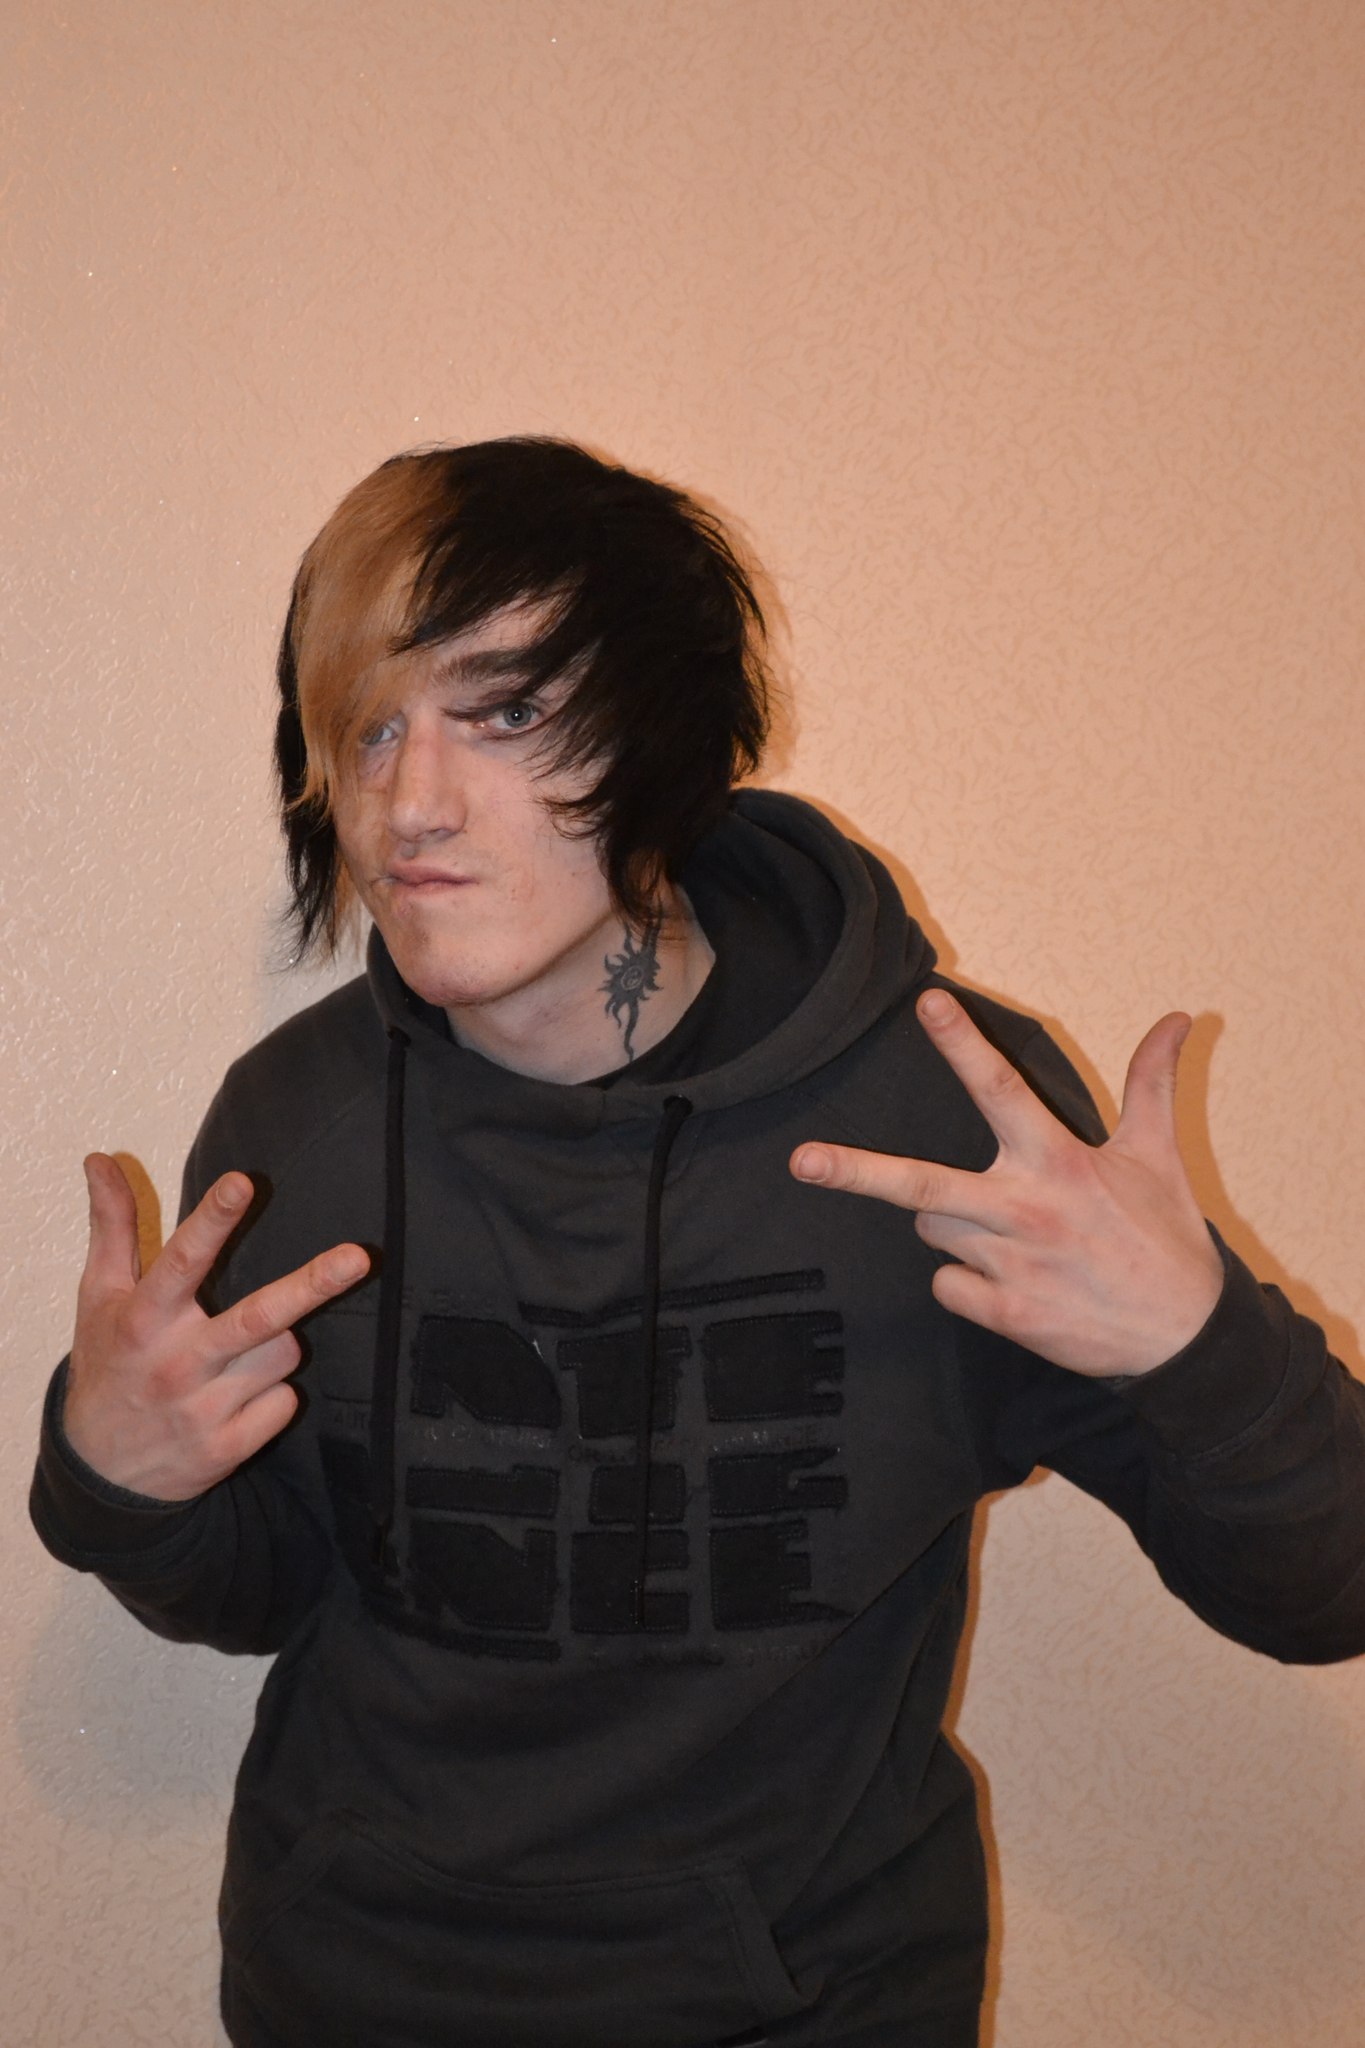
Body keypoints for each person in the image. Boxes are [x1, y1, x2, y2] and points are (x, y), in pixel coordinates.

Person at [31, 438, 1365, 2048]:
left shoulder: (946, 1112)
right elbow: (267, 1592)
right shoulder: (299, 1125)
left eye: (504, 713)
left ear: (665, 735)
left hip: (807, 2008)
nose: (410, 802)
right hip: (354, 1996)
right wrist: (114, 1483)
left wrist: (1198, 1346)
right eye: (370, 728)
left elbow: (1326, 1593)